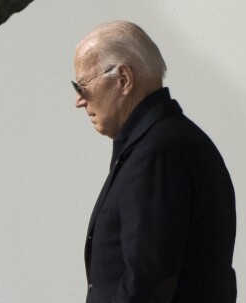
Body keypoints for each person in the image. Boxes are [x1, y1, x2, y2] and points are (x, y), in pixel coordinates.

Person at [73, 21, 237, 303]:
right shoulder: (163, 143)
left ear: (123, 79)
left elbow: (147, 284)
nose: (79, 100)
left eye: (82, 85)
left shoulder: (158, 152)